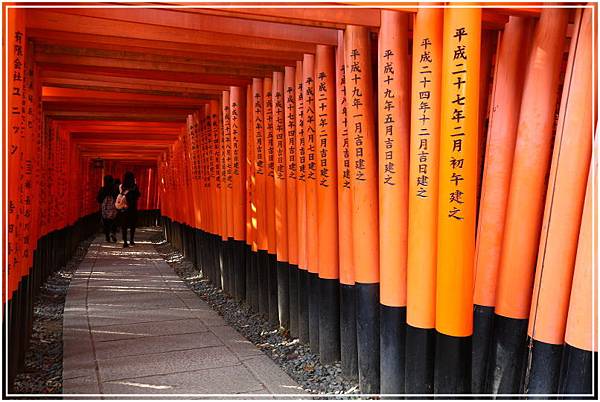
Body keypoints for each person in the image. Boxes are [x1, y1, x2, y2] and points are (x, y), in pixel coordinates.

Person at [118, 171, 141, 247]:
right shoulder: (134, 186)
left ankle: (125, 242)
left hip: (124, 208)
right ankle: (131, 240)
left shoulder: (121, 186)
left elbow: (119, 196)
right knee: (132, 225)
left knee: (124, 225)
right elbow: (138, 195)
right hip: (133, 207)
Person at [97, 175, 118, 242]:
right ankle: (113, 233)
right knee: (113, 220)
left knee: (106, 222)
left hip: (105, 207)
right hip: (113, 207)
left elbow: (99, 199)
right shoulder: (115, 189)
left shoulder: (103, 189)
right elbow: (117, 197)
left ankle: (107, 236)